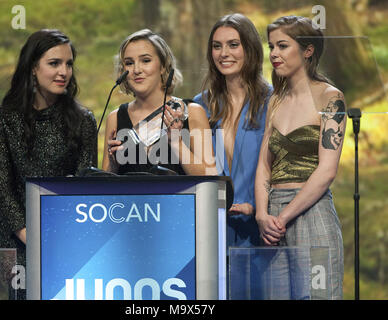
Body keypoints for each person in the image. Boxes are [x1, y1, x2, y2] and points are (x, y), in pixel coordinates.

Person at [0, 29, 97, 299]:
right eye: (54, 63)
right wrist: (30, 236)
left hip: (64, 240)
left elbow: (85, 186)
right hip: (12, 239)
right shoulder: (2, 120)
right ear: (33, 68)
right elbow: (2, 189)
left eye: (69, 64)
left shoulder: (84, 121)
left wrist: (57, 239)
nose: (64, 72)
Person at [254, 16, 345, 299]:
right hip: (272, 222)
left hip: (311, 213)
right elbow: (263, 168)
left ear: (307, 51)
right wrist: (261, 215)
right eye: (271, 47)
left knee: (319, 295)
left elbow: (327, 171)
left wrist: (283, 216)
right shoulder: (275, 100)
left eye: (282, 46)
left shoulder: (330, 97)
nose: (274, 55)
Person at [193, 13, 272, 248]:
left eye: (233, 45)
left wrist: (256, 206)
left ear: (250, 49)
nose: (223, 53)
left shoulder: (273, 101)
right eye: (217, 46)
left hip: (261, 231)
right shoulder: (200, 105)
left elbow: (282, 169)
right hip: (213, 229)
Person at [102, 29, 215, 175]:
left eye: (146, 61)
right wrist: (113, 165)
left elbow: (210, 177)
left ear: (162, 66)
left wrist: (177, 143)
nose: (136, 70)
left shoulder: (192, 112)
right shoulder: (115, 118)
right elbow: (104, 185)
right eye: (129, 63)